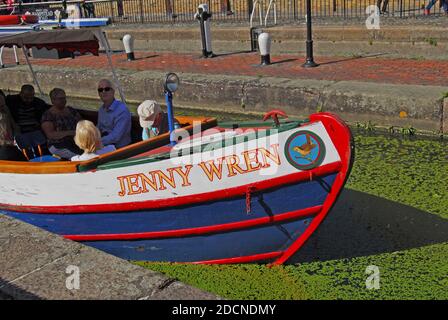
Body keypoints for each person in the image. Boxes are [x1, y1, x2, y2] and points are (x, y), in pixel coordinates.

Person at [41, 88, 83, 159]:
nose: (64, 101)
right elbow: (50, 135)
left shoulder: (71, 110)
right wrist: (71, 133)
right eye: (60, 99)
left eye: (64, 98)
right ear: (53, 100)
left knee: (91, 152)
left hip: (76, 141)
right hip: (58, 145)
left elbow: (82, 123)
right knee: (80, 157)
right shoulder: (48, 115)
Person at [96, 79, 131, 149]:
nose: (103, 92)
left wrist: (96, 142)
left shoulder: (122, 110)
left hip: (120, 149)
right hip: (103, 146)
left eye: (107, 89)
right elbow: (98, 128)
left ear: (113, 91)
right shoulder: (101, 110)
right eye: (100, 90)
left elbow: (116, 137)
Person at [0, 94, 26, 161]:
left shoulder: (5, 108)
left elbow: (14, 124)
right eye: (1, 106)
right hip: (3, 146)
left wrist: (17, 135)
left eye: (3, 105)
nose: (3, 108)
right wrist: (10, 143)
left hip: (11, 143)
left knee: (23, 159)